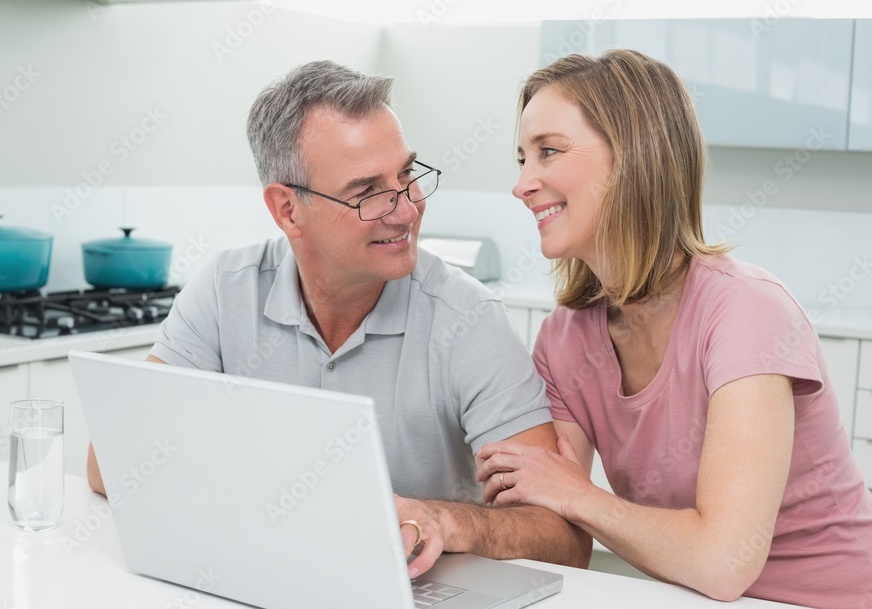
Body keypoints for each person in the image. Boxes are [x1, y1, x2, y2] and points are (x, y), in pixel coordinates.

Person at [87, 60, 591, 577]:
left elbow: (564, 540)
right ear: (287, 210)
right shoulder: (224, 290)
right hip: (259, 577)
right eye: (367, 192)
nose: (406, 209)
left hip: (416, 593)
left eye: (406, 175)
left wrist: (446, 521)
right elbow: (109, 463)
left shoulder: (467, 321)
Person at [476, 49, 872, 609]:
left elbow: (723, 562)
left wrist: (574, 493)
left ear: (634, 156)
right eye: (521, 158)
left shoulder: (745, 313)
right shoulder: (565, 340)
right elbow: (552, 521)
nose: (521, 184)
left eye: (549, 151)